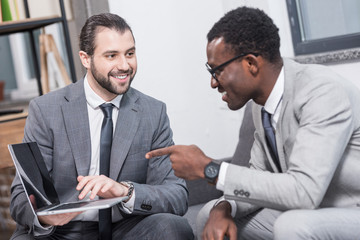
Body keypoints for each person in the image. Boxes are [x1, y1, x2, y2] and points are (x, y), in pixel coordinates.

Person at [146, 6, 360, 240]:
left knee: (292, 225)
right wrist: (224, 208)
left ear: (250, 63)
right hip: (311, 211)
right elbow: (258, 176)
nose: (213, 83)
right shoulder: (261, 106)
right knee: (210, 214)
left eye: (217, 70)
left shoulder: (321, 91)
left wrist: (209, 168)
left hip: (349, 210)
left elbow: (304, 192)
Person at [10, 13, 194, 240]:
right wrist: (45, 217)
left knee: (173, 228)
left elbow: (177, 194)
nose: (124, 65)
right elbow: (20, 197)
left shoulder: (152, 112)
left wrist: (125, 191)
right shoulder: (46, 110)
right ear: (85, 59)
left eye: (130, 53)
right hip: (62, 232)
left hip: (126, 228)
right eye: (111, 56)